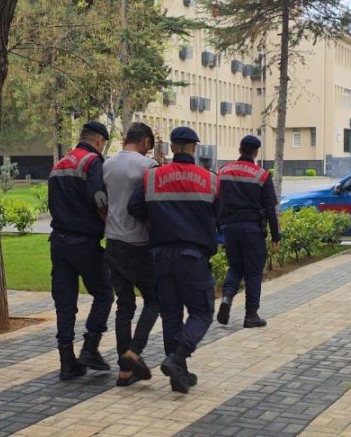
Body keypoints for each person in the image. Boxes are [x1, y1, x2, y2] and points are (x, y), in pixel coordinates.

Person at [128, 126, 219, 394]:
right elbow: (219, 214)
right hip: (193, 256)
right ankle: (177, 359)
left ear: (171, 146)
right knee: (202, 312)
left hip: (161, 256)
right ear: (194, 148)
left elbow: (134, 207)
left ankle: (179, 375)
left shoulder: (152, 176)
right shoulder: (210, 179)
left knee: (171, 315)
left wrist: (156, 221)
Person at [48, 121, 115, 381]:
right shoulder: (92, 162)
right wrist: (110, 225)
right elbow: (99, 198)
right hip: (84, 242)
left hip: (59, 242)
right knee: (104, 294)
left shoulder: (60, 164)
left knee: (65, 304)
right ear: (99, 141)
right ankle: (90, 347)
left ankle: (67, 362)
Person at [102, 122, 160, 387]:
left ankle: (124, 371)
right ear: (146, 142)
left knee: (124, 305)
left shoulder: (106, 164)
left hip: (112, 241)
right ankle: (133, 352)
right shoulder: (148, 166)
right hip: (138, 243)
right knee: (154, 300)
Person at [216, 135, 281, 328]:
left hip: (230, 229)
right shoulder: (262, 175)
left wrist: (218, 226)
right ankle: (251, 315)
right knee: (253, 272)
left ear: (239, 149)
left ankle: (227, 298)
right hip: (252, 230)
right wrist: (275, 235)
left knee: (235, 268)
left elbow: (216, 200)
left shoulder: (223, 171)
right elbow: (270, 208)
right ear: (255, 152)